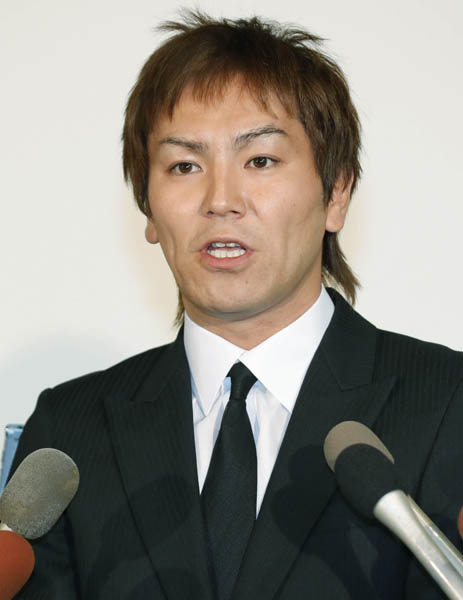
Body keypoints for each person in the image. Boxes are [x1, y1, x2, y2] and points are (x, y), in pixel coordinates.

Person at [11, 11, 463, 599]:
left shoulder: (448, 405)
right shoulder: (70, 433)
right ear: (148, 209)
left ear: (336, 193)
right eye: (184, 166)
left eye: (260, 161)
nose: (220, 199)